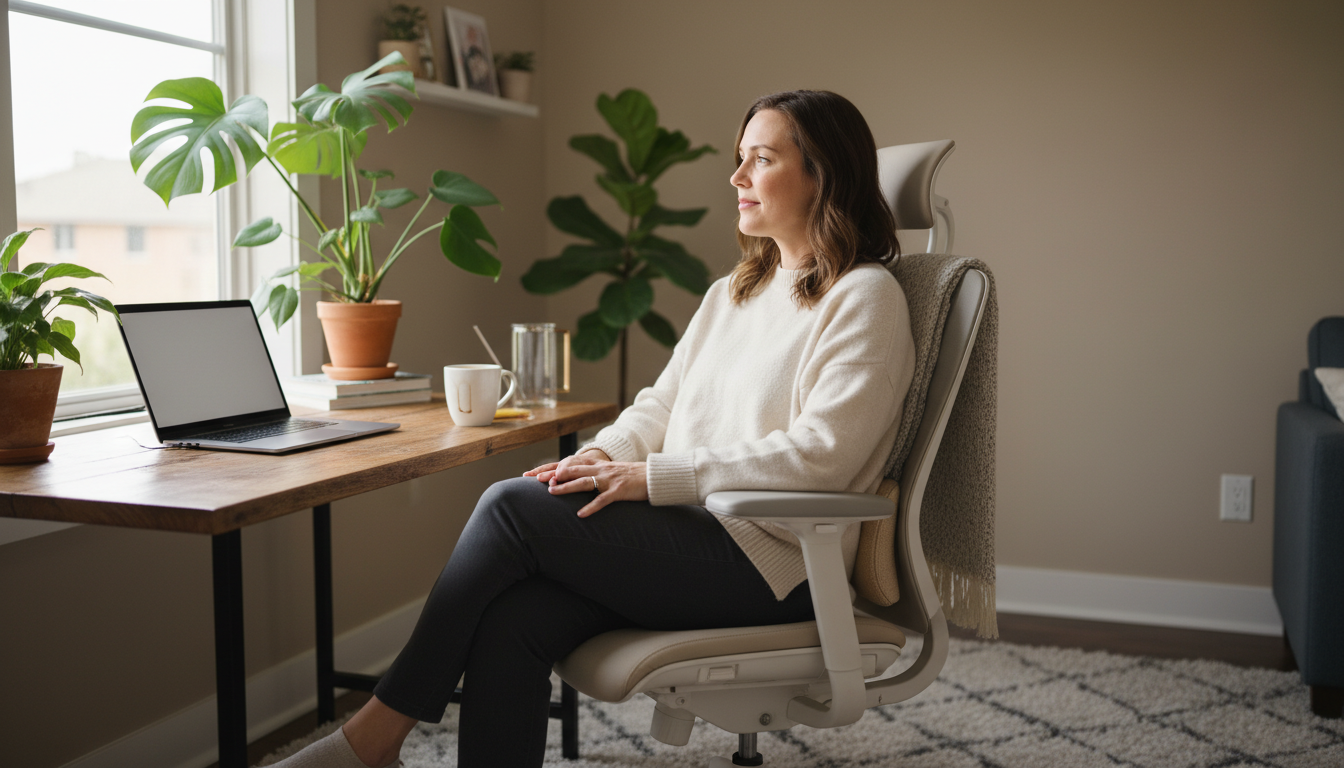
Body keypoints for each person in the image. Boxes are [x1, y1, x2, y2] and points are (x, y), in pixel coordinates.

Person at [271, 89, 916, 768]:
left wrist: (651, 478)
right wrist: (603, 454)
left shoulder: (864, 297)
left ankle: (373, 738)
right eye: (739, 158)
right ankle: (382, 745)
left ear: (822, 175)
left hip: (780, 561)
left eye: (760, 159)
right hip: (700, 535)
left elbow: (821, 456)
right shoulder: (735, 291)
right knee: (515, 617)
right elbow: (659, 405)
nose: (736, 177)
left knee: (510, 508)